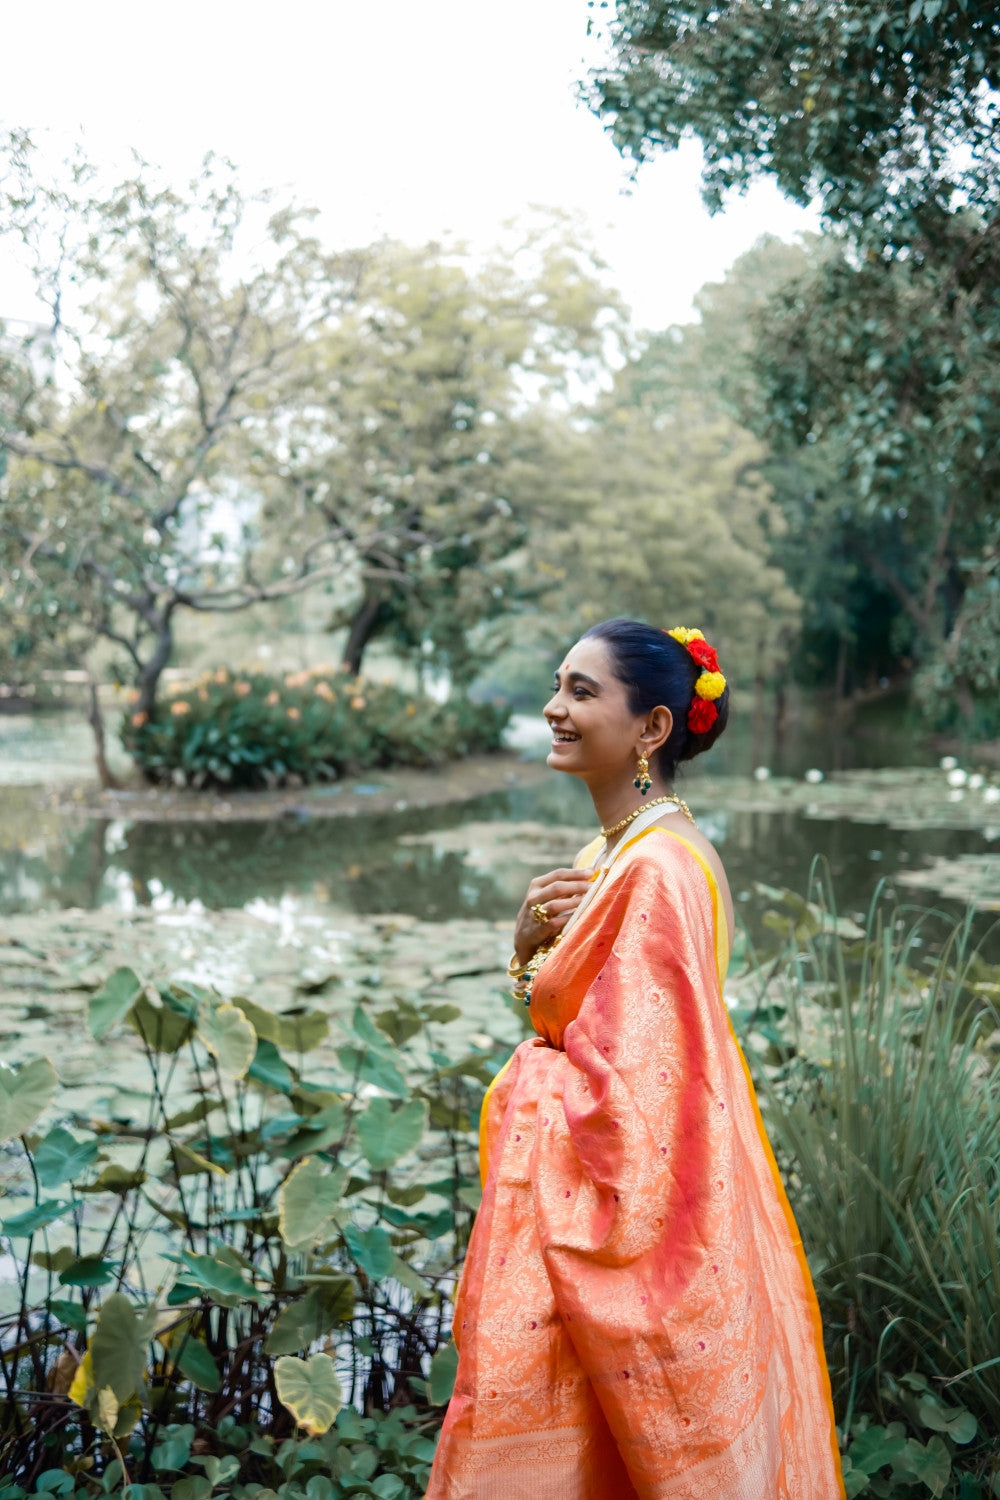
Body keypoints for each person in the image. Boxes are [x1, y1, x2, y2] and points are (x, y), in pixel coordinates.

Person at [424, 619, 845, 1500]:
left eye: (583, 692)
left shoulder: (657, 869)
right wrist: (525, 950)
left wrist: (530, 1074)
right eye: (557, 686)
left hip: (637, 1220)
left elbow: (637, 1095)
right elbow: (585, 1024)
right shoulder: (615, 856)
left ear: (652, 729)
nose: (554, 709)